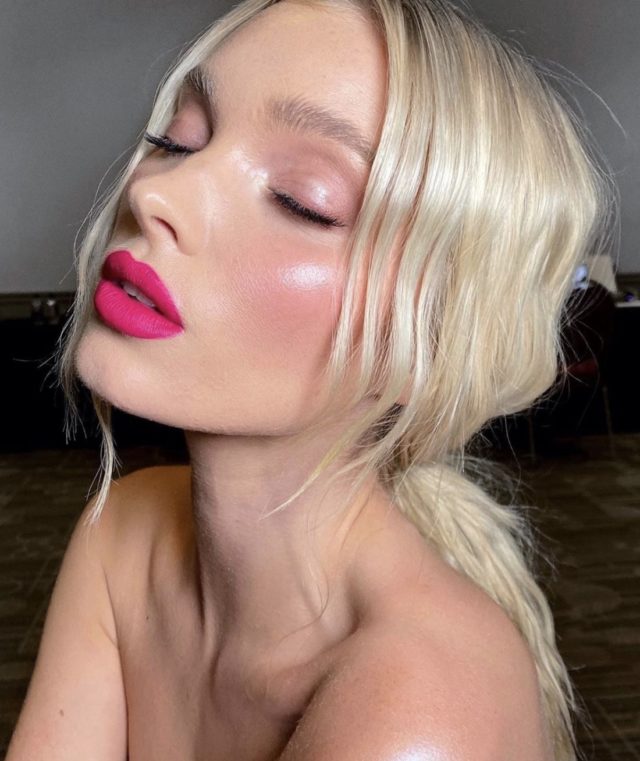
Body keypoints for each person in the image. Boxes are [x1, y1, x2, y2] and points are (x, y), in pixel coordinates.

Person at [7, 0, 614, 758]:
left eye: (303, 201)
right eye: (178, 139)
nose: (151, 192)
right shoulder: (121, 531)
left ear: (430, 342)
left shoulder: (420, 712)